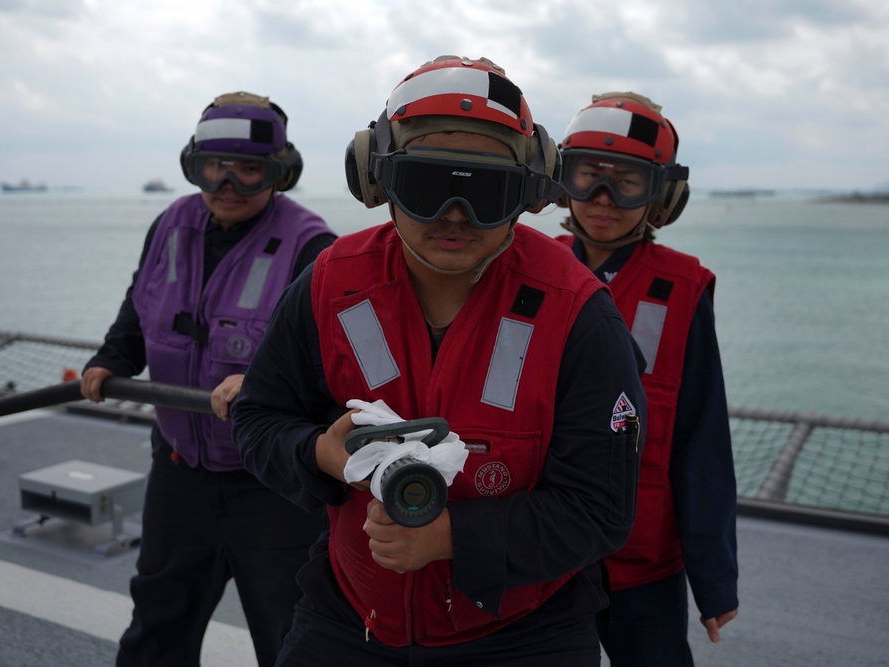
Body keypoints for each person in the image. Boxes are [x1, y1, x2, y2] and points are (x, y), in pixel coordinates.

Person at [231, 55, 647, 667]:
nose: (455, 214)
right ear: (379, 180)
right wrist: (320, 452)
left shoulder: (579, 314)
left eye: (486, 190)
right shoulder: (330, 284)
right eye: (428, 184)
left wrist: (452, 538)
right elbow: (257, 416)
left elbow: (600, 509)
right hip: (351, 618)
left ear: (531, 191)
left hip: (525, 634)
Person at [80, 91, 336, 667]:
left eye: (250, 170)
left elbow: (332, 358)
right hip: (179, 467)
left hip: (272, 483)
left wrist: (263, 382)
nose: (228, 183)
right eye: (213, 166)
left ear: (280, 173)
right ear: (192, 164)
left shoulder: (313, 248)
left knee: (291, 627)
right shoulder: (170, 224)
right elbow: (140, 301)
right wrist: (112, 357)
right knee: (158, 621)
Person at [554, 91, 739, 665]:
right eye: (588, 176)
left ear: (663, 192)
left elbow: (701, 440)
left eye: (627, 182)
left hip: (644, 557)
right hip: (547, 546)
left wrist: (714, 580)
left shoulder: (684, 288)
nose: (602, 199)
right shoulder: (530, 266)